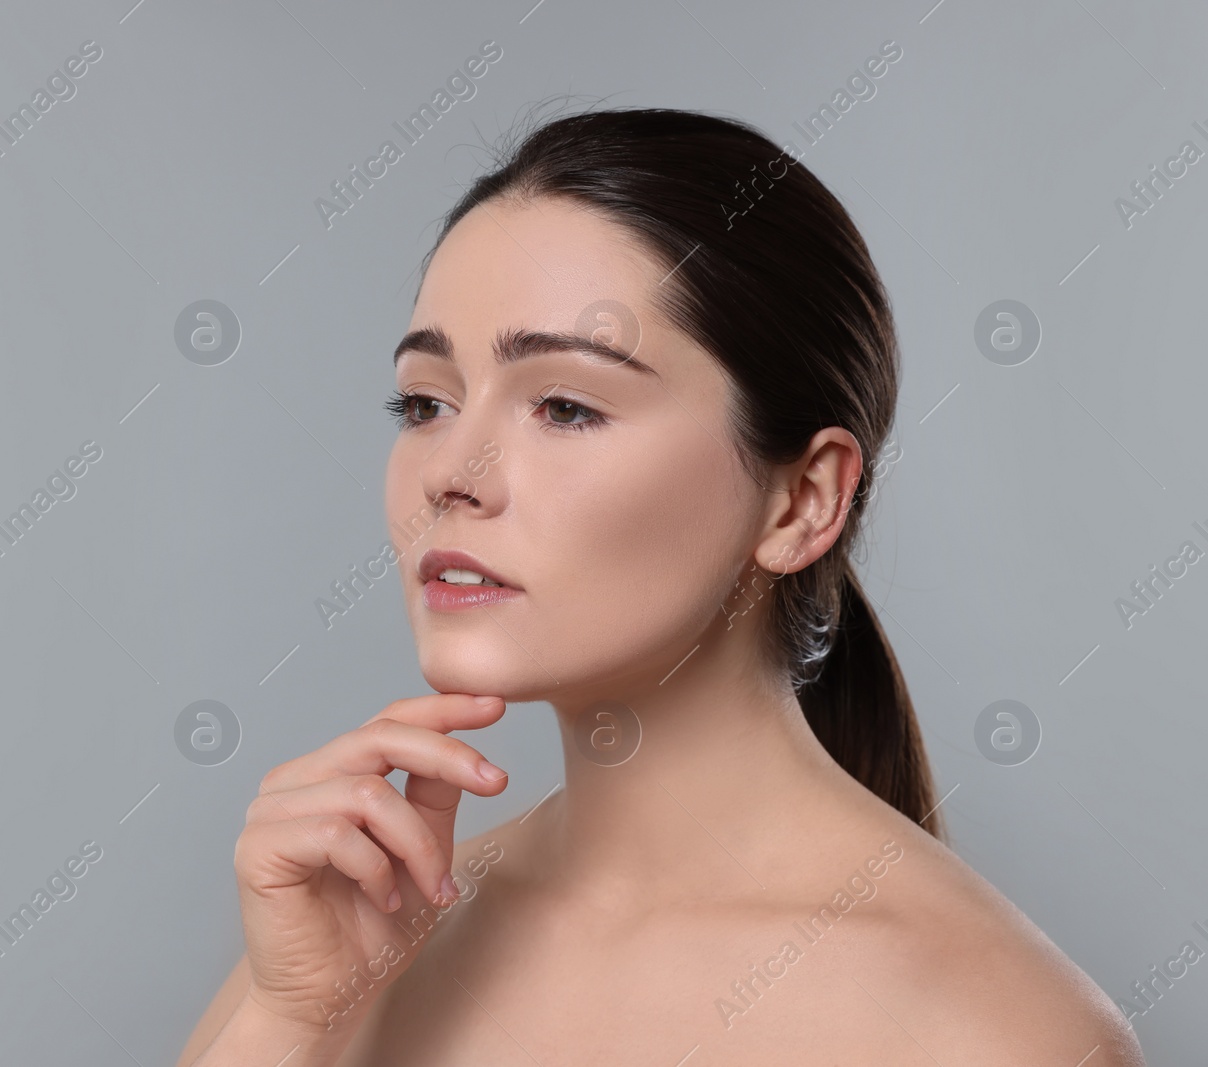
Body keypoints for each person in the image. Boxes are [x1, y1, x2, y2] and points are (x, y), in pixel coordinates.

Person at [176, 105, 1145, 1066]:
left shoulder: (996, 1029)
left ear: (801, 501)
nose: (448, 473)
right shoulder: (348, 947)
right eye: (425, 401)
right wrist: (289, 1017)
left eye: (563, 404)